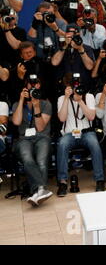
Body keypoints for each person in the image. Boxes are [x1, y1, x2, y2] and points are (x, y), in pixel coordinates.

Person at [56, 73, 105, 196]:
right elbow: (62, 119)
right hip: (69, 133)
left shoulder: (88, 96)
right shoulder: (62, 98)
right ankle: (62, 182)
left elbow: (92, 117)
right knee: (62, 144)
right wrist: (67, 98)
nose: (75, 89)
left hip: (86, 132)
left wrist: (80, 101)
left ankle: (99, 179)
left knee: (95, 145)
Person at [12, 76, 53, 206]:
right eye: (30, 84)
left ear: (39, 86)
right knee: (27, 158)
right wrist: (21, 100)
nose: (33, 86)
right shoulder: (17, 104)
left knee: (41, 161)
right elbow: (16, 122)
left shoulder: (46, 104)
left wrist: (36, 107)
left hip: (42, 137)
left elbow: (40, 127)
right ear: (26, 86)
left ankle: (36, 192)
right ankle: (41, 189)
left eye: (35, 83)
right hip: (24, 138)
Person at [51, 25, 95, 90]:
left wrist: (80, 49)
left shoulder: (87, 48)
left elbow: (90, 67)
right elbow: (54, 63)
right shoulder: (61, 47)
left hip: (82, 84)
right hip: (64, 85)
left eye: (74, 36)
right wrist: (65, 46)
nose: (72, 39)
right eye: (70, 36)